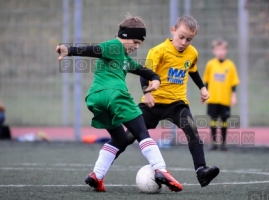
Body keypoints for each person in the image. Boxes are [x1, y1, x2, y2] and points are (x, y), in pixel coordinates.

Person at [56, 14, 183, 192]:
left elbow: (143, 71)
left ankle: (97, 175)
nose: (137, 47)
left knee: (120, 139)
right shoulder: (114, 46)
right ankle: (160, 168)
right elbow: (94, 49)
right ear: (124, 36)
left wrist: (155, 79)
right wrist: (69, 50)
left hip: (96, 99)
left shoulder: (123, 57)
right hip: (116, 96)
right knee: (141, 132)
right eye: (135, 42)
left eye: (140, 44)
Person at [108, 15, 220, 188]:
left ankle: (201, 172)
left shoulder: (192, 53)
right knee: (127, 136)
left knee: (192, 131)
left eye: (189, 39)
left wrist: (203, 88)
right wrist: (148, 94)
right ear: (173, 30)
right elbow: (145, 73)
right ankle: (100, 171)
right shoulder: (158, 50)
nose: (184, 42)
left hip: (177, 104)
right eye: (181, 37)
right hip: (153, 103)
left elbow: (193, 70)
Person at [203, 39, 240, 151]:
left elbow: (234, 83)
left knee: (224, 120)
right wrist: (205, 94)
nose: (220, 52)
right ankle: (214, 143)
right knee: (213, 120)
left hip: (225, 99)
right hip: (213, 99)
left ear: (226, 51)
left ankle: (223, 143)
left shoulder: (230, 65)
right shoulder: (210, 64)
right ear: (214, 51)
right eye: (217, 49)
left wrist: (233, 96)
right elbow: (207, 81)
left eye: (222, 49)